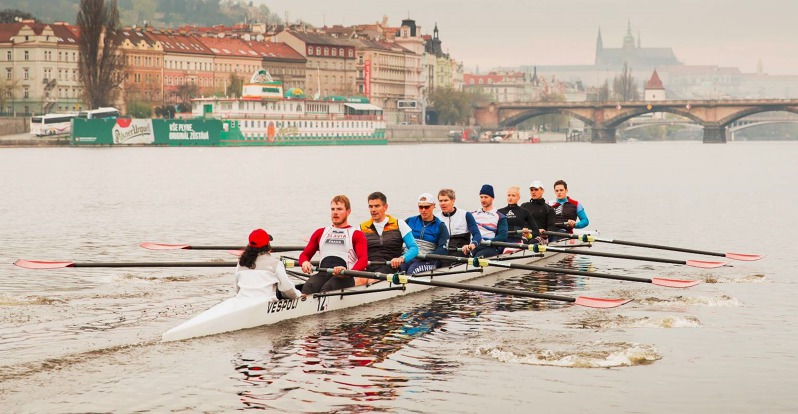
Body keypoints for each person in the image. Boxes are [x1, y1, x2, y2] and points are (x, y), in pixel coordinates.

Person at [299, 195, 369, 293]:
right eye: (333, 209)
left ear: (348, 212)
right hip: (323, 273)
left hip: (345, 276)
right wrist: (305, 262)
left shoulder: (356, 234)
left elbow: (363, 260)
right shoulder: (320, 232)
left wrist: (347, 273)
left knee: (327, 289)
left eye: (339, 209)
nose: (335, 212)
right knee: (308, 287)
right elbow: (305, 255)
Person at [235, 228, 302, 301]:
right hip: (265, 304)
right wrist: (299, 295)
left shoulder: (241, 263)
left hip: (242, 301)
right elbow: (287, 289)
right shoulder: (275, 264)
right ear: (267, 245)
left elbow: (236, 289)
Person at [360, 192, 419, 273]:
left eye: (377, 206)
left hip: (390, 266)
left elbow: (414, 248)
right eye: (370, 207)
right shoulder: (362, 228)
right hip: (369, 266)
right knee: (358, 281)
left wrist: (402, 258)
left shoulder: (399, 224)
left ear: (385, 207)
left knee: (372, 280)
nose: (373, 210)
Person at [403, 193, 450, 274]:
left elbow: (443, 250)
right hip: (409, 256)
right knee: (398, 268)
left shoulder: (440, 226)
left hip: (428, 260)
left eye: (427, 207)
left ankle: (410, 285)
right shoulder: (409, 221)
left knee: (412, 270)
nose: (423, 210)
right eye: (421, 207)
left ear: (433, 206)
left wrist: (426, 255)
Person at [435, 188, 481, 256]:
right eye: (440, 201)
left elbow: (477, 235)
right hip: (442, 251)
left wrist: (471, 245)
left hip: (461, 251)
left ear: (453, 200)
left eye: (446, 200)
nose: (443, 203)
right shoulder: (436, 218)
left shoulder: (466, 215)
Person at [471, 184, 508, 258]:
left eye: (486, 197)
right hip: (474, 246)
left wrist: (490, 242)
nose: (483, 200)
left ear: (492, 198)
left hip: (490, 246)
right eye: (481, 197)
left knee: (477, 258)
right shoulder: (472, 215)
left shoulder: (500, 216)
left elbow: (503, 236)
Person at [520, 180, 557, 244]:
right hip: (526, 235)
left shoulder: (549, 209)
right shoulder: (524, 206)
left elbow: (551, 228)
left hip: (540, 237)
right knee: (522, 242)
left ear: (542, 191)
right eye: (531, 190)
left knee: (532, 242)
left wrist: (545, 233)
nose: (533, 192)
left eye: (536, 190)